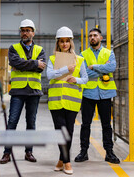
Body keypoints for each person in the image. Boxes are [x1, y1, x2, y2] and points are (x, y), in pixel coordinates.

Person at [0, 19, 47, 164]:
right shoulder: (13, 48)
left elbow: (41, 67)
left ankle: (29, 152)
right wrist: (34, 63)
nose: (25, 33)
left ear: (33, 32)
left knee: (31, 122)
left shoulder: (40, 50)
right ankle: (7, 153)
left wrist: (23, 65)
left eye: (28, 30)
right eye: (23, 30)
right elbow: (15, 62)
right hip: (18, 91)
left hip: (33, 91)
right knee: (12, 121)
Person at [74, 28, 120, 164]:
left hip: (105, 93)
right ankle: (83, 152)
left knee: (106, 124)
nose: (92, 38)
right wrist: (101, 68)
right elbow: (84, 74)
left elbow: (112, 68)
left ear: (101, 37)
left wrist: (93, 67)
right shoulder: (83, 54)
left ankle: (109, 152)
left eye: (95, 35)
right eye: (90, 36)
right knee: (85, 124)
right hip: (88, 93)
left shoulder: (108, 52)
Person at [47, 26, 88, 175]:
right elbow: (50, 75)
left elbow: (85, 78)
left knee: (69, 132)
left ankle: (60, 160)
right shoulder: (52, 59)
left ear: (71, 43)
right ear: (58, 43)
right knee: (61, 132)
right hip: (56, 102)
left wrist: (75, 79)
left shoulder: (80, 60)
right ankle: (67, 162)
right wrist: (66, 69)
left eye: (67, 41)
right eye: (62, 41)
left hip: (72, 102)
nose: (65, 44)